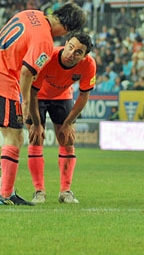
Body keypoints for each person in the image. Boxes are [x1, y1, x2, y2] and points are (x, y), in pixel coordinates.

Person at [0, 2, 86, 205]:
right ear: (67, 28)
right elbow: (26, 72)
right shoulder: (45, 41)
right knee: (15, 136)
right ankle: (6, 195)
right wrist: (25, 102)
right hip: (1, 80)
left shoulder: (29, 14)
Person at [27, 33, 96, 204]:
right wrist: (36, 123)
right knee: (36, 139)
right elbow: (32, 92)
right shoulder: (48, 57)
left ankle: (65, 191)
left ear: (85, 56)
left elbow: (83, 97)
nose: (72, 53)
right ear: (65, 44)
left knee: (67, 140)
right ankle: (39, 191)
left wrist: (68, 123)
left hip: (62, 96)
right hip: (37, 96)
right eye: (70, 47)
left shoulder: (89, 65)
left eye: (78, 52)